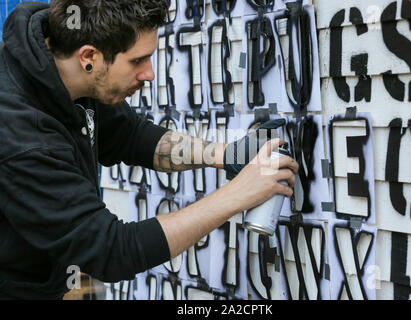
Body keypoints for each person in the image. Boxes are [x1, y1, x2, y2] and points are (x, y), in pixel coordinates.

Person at [0, 0, 298, 300]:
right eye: (137, 61)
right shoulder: (20, 133)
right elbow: (111, 250)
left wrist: (224, 156)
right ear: (88, 57)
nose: (150, 74)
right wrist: (235, 196)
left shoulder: (66, 68)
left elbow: (130, 136)